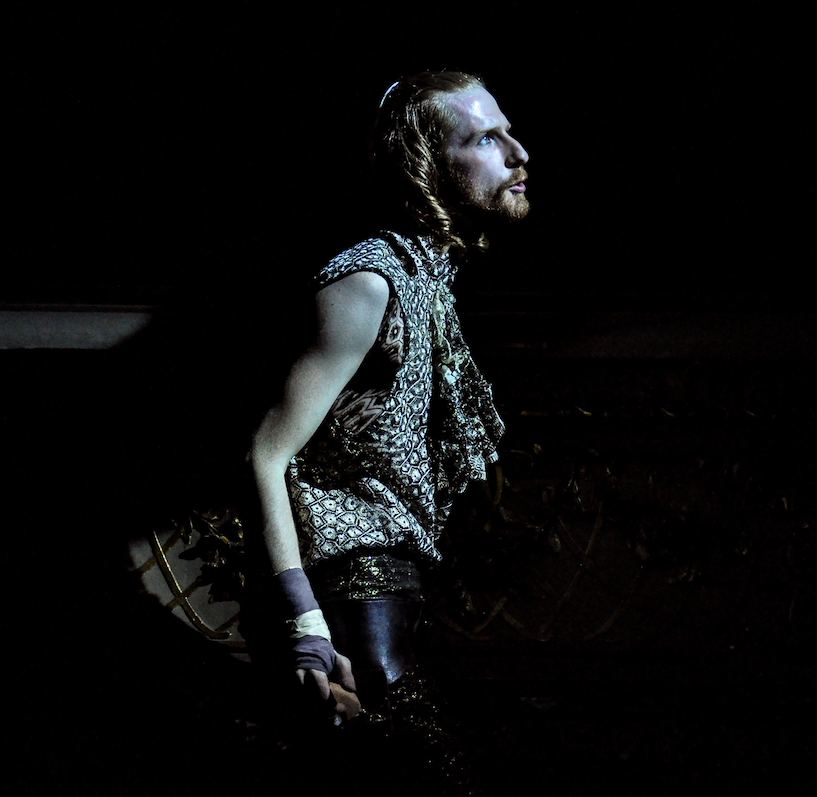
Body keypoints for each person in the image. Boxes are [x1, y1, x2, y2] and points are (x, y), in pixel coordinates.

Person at [244, 69, 529, 790]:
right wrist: (304, 623)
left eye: (509, 131)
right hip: (353, 591)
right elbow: (265, 452)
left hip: (395, 589)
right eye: (485, 139)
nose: (518, 153)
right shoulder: (369, 283)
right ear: (427, 165)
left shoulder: (427, 280)